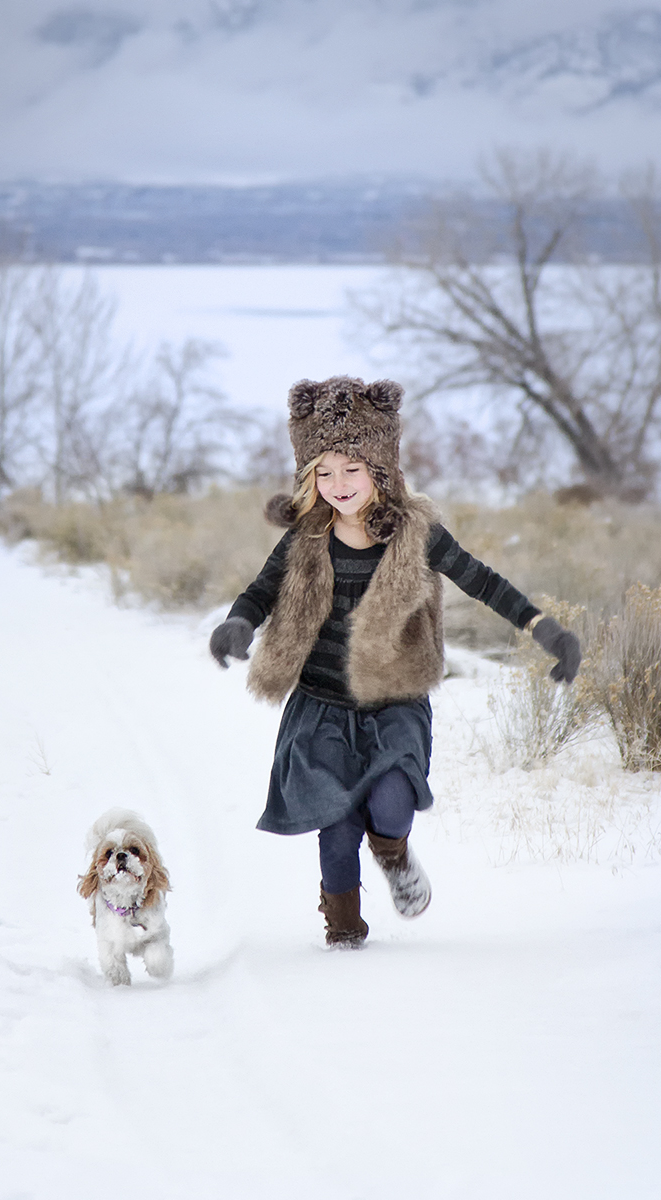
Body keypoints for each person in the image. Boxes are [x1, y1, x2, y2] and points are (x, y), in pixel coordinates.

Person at [209, 377, 581, 948]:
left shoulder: (415, 533)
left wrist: (545, 629)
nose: (337, 485)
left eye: (350, 469)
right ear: (308, 478)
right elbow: (261, 592)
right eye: (323, 473)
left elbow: (483, 581)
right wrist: (238, 622)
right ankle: (344, 932)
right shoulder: (305, 538)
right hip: (321, 706)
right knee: (335, 826)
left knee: (391, 798)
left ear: (379, 467)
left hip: (394, 702)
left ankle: (394, 853)